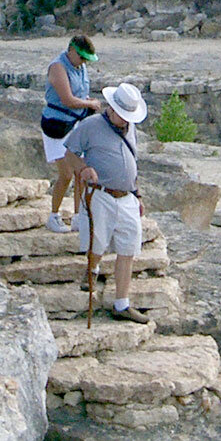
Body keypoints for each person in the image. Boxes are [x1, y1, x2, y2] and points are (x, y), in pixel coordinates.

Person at [60, 83, 150, 324]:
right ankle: (92, 270)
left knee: (128, 247)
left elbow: (133, 162)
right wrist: (84, 169)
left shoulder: (131, 130)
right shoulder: (90, 126)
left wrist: (137, 194)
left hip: (127, 195)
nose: (125, 120)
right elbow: (69, 153)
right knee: (97, 242)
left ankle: (122, 303)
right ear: (112, 108)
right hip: (100, 193)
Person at [40, 35, 103, 233]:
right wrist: (90, 104)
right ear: (72, 51)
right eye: (82, 58)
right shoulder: (58, 67)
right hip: (57, 125)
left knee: (80, 172)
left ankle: (78, 216)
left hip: (75, 124)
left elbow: (79, 94)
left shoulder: (80, 67)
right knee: (66, 174)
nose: (84, 63)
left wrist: (86, 102)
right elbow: (67, 99)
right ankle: (54, 215)